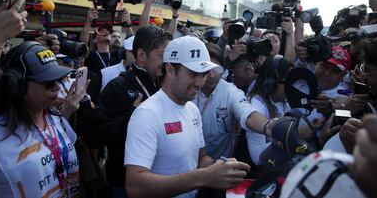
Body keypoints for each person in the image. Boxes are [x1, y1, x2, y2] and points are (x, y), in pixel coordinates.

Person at [124, 36, 250, 198]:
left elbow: (200, 157)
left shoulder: (191, 109)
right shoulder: (147, 115)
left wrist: (220, 168)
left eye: (203, 74)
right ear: (170, 69)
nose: (199, 82)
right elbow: (135, 187)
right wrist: (204, 177)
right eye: (193, 74)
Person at [81, 25, 173, 197]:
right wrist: (132, 117)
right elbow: (95, 137)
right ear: (141, 55)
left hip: (163, 178)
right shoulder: (117, 86)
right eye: (161, 56)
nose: (167, 62)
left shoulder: (167, 83)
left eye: (169, 56)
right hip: (125, 183)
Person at [0, 42, 84, 197]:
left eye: (58, 79)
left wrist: (68, 111)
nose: (57, 87)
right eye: (48, 82)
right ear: (16, 84)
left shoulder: (55, 117)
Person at [245, 55, 293, 166]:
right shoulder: (256, 106)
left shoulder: (283, 100)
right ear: (271, 83)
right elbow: (257, 157)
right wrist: (290, 138)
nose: (292, 87)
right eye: (287, 82)